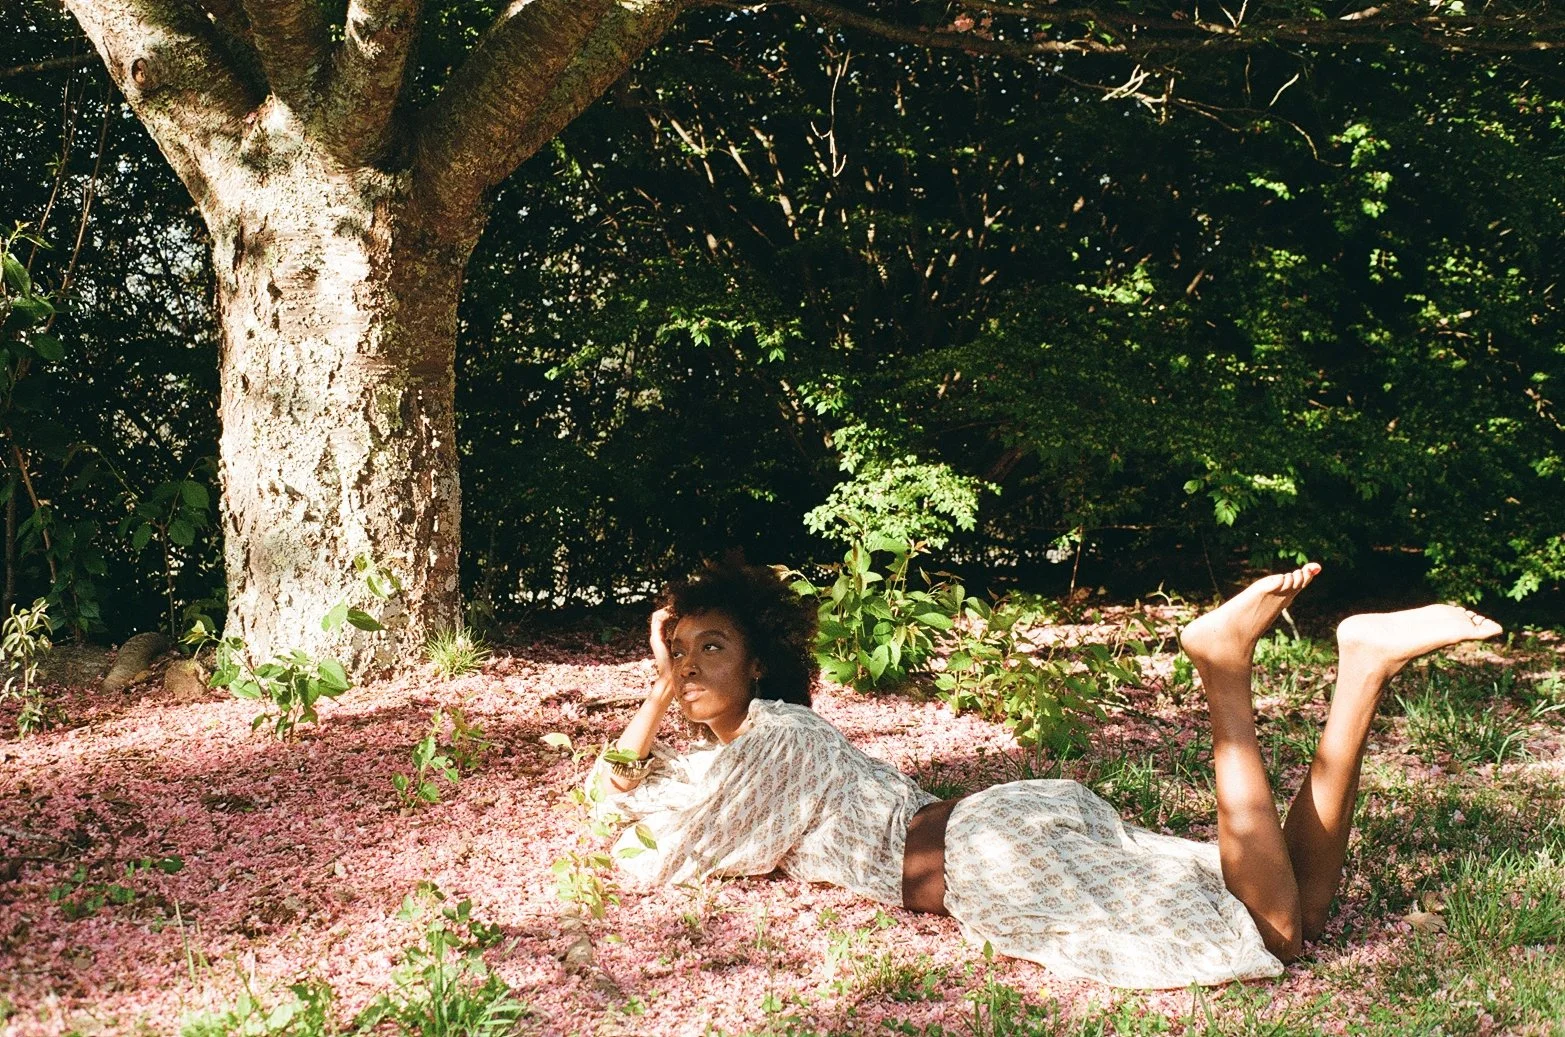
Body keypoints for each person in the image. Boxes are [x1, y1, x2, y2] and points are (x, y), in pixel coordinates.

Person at [587, 561, 1502, 988]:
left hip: (985, 856)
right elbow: (617, 790)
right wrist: (659, 683)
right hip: (1000, 830)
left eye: (711, 648)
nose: (690, 668)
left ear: (758, 664)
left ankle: (1222, 670)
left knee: (1273, 935)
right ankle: (1361, 669)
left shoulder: (777, 734)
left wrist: (657, 694)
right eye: (678, 654)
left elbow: (651, 853)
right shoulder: (735, 753)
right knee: (1289, 899)